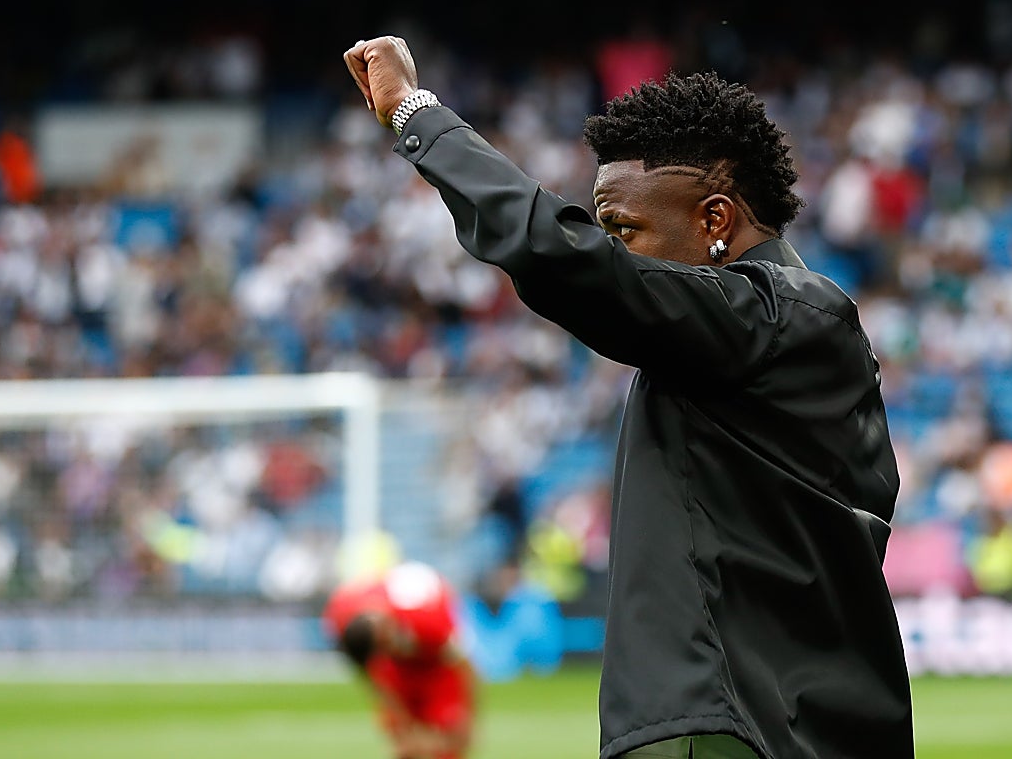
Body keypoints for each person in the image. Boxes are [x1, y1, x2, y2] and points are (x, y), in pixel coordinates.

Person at [342, 37, 914, 759]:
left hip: (724, 723)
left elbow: (566, 260)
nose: (613, 249)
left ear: (714, 220)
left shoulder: (777, 319)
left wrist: (415, 115)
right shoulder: (775, 345)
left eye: (624, 229)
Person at [323, 561, 476, 759]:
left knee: (447, 748)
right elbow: (367, 670)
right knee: (407, 747)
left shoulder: (429, 621)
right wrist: (401, 722)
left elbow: (464, 664)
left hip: (438, 668)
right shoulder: (343, 622)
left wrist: (470, 719)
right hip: (397, 671)